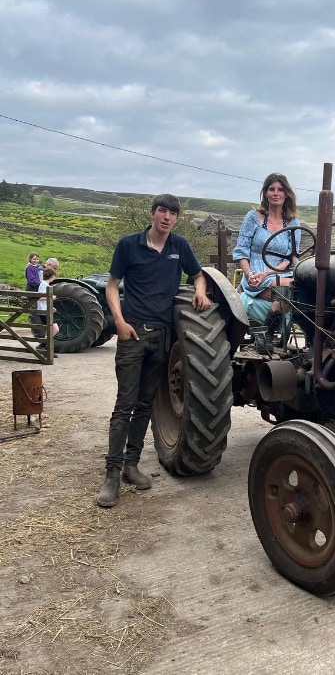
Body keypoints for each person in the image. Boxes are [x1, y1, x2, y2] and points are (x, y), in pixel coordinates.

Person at [97, 193, 211, 508]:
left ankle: (131, 466)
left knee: (146, 405)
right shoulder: (128, 245)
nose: (167, 217)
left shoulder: (180, 247)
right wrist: (118, 321)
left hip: (162, 337)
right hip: (133, 334)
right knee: (125, 404)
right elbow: (111, 284)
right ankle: (112, 473)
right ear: (152, 214)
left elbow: (198, 274)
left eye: (173, 213)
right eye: (162, 211)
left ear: (176, 218)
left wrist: (200, 290)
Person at [233, 172, 300, 353]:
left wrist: (269, 273)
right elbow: (241, 250)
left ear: (287, 194)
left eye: (280, 189)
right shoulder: (254, 217)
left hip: (278, 272)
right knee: (286, 287)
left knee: (298, 284)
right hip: (255, 272)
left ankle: (270, 334)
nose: (276, 193)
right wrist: (250, 274)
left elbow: (289, 258)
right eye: (272, 189)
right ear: (266, 193)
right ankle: (268, 334)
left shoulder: (293, 223)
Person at [36, 267, 59, 350]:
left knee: (50, 330)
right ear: (52, 276)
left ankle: (45, 347)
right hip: (43, 311)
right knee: (55, 329)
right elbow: (40, 298)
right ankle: (43, 345)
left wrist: (51, 307)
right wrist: (51, 297)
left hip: (46, 310)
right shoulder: (44, 285)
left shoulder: (45, 284)